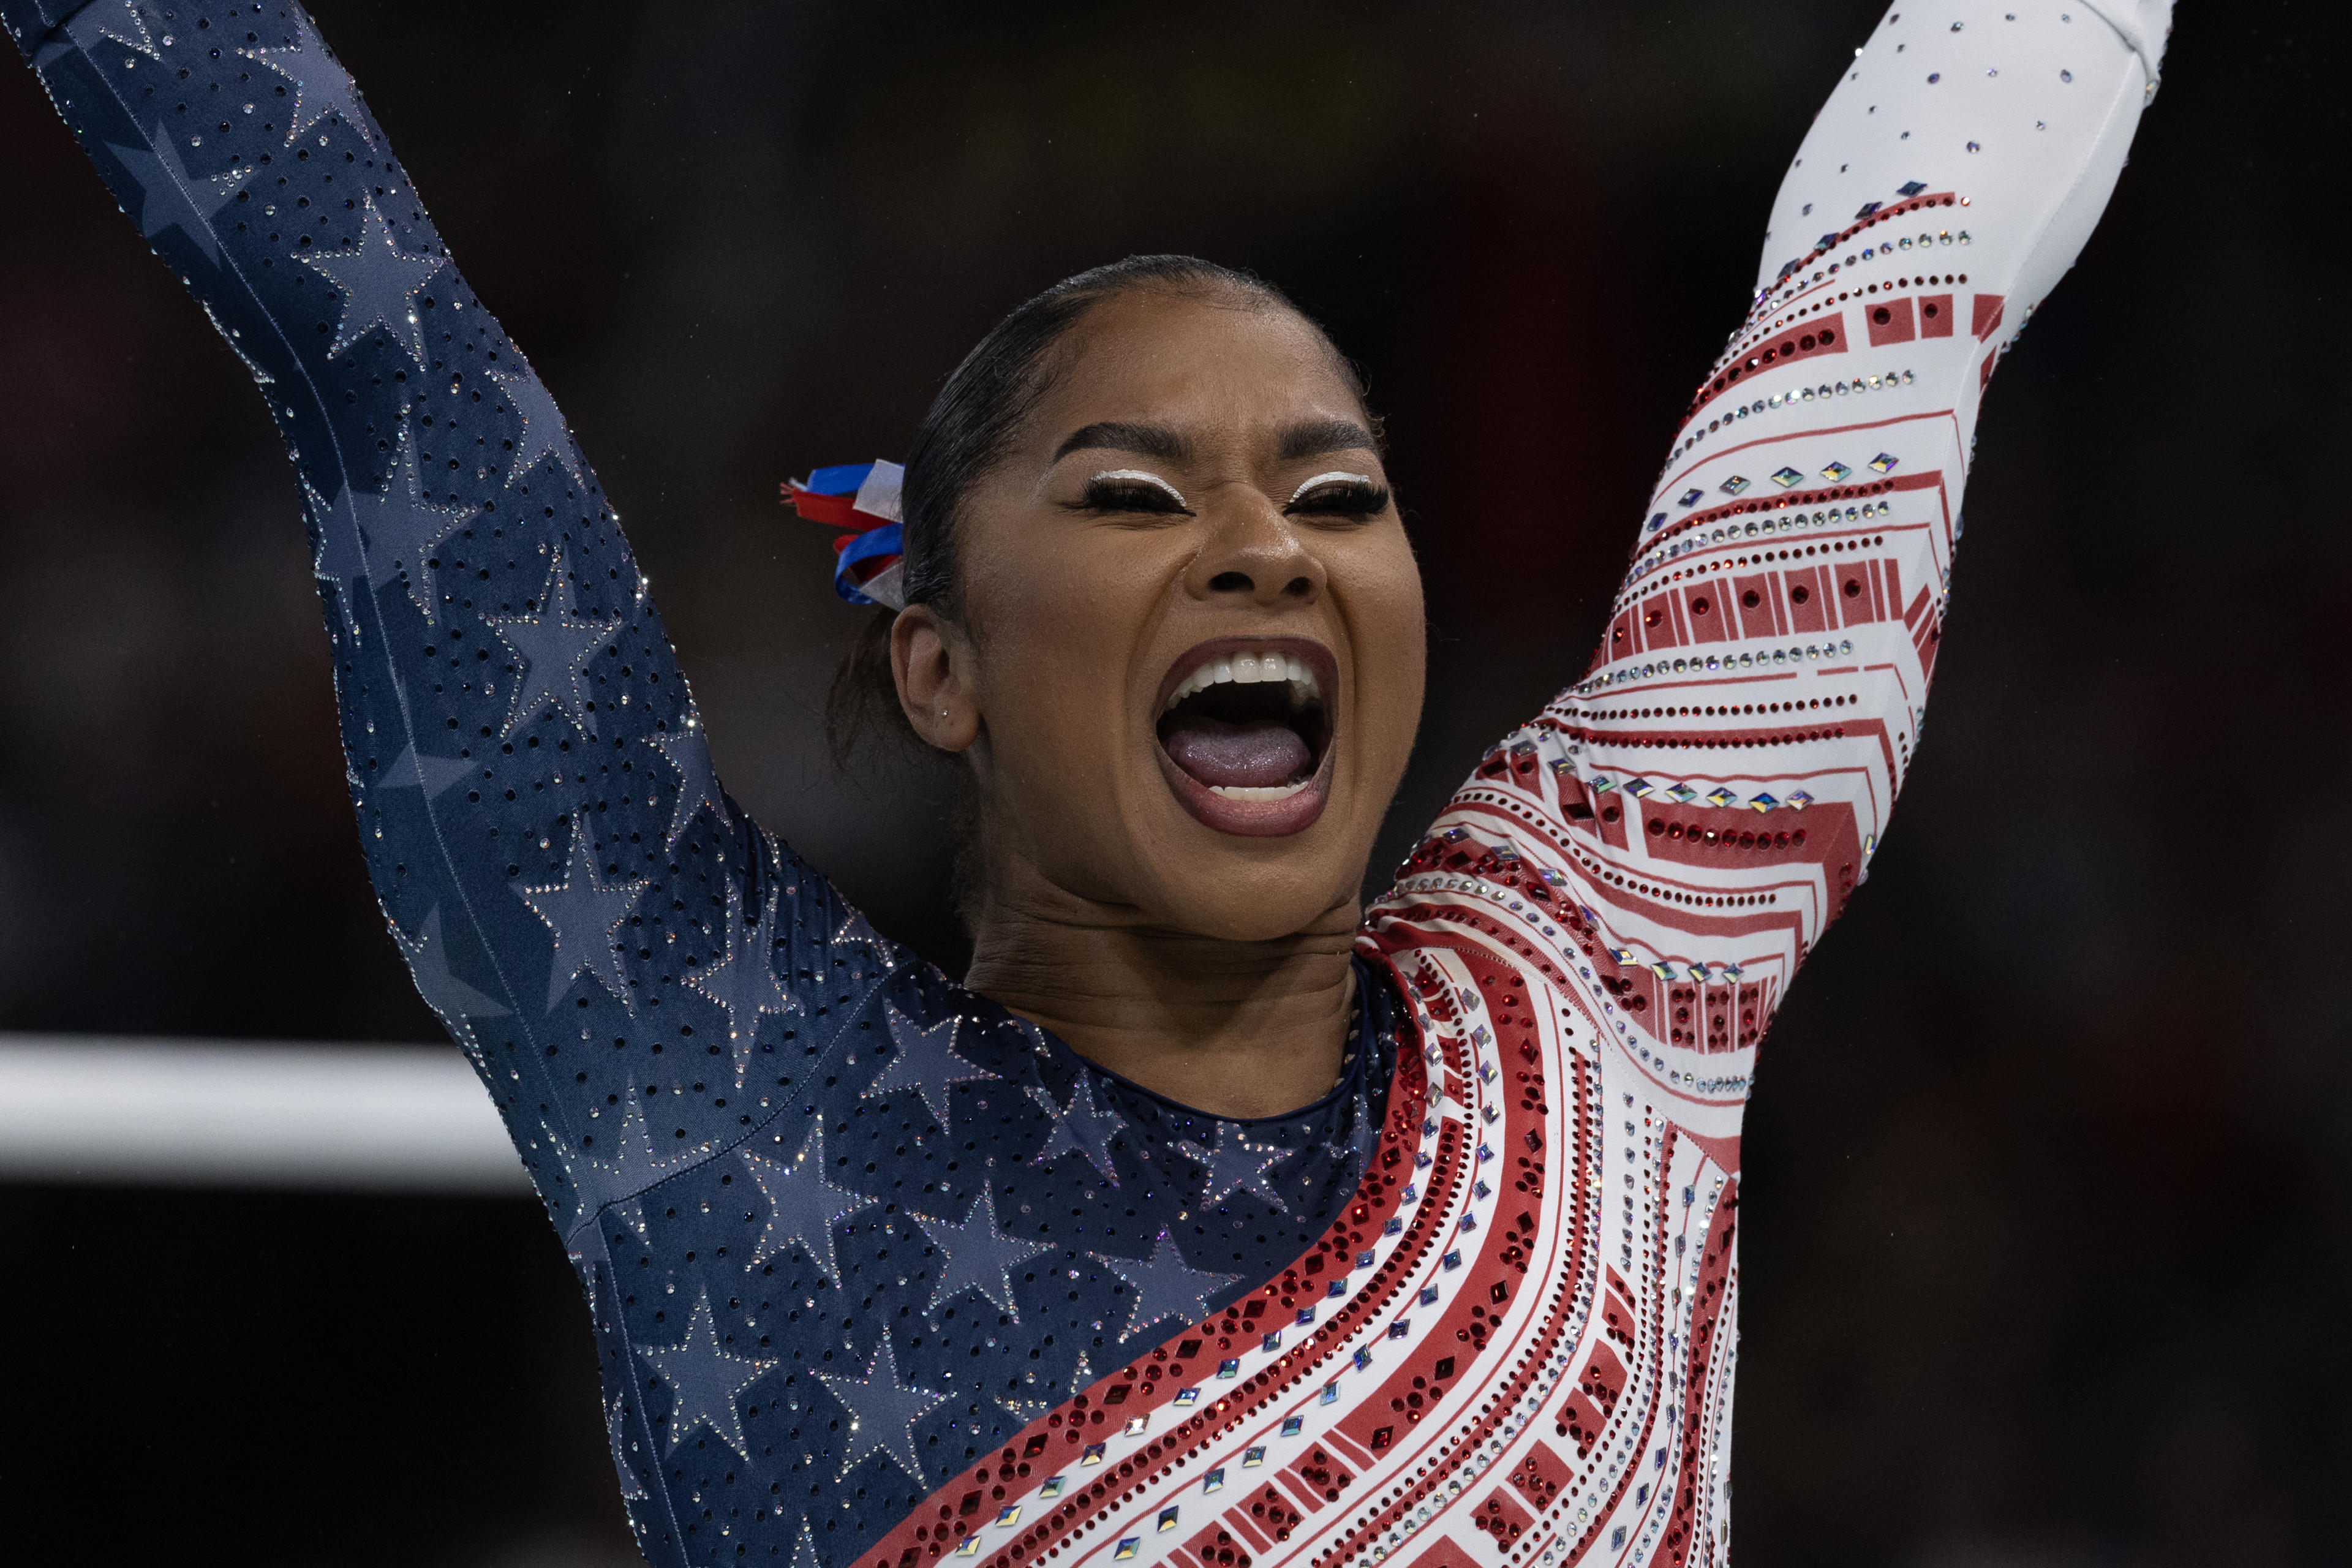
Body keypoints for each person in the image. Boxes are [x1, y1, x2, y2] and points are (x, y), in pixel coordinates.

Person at [4, 1, 2172, 1563]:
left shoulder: (1596, 966)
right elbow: (370, 334)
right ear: (935, 661)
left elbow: (1912, 263)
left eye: (1338, 490)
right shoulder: (735, 1090)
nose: (1266, 544)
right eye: (1136, 494)